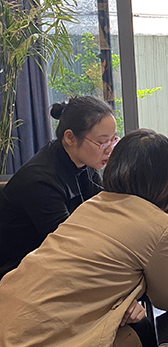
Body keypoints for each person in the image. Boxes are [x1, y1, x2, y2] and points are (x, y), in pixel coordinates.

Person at [0, 129, 168, 347]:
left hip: (10, 325)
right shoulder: (159, 225)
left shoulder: (92, 206)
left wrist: (122, 298)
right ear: (167, 180)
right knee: (143, 335)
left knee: (138, 325)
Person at [0, 96, 118, 279]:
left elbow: (105, 211)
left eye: (113, 140)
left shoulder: (85, 164)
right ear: (70, 137)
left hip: (53, 262)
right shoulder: (39, 181)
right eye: (102, 142)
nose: (109, 149)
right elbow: (68, 242)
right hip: (17, 272)